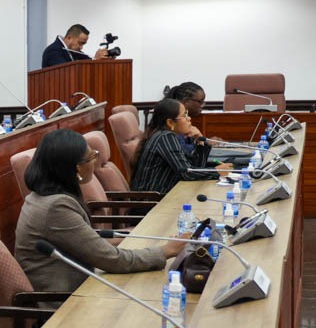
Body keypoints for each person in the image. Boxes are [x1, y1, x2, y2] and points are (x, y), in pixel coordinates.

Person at [14, 129, 180, 291]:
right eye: (92, 157)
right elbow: (112, 260)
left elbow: (89, 244)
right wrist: (167, 251)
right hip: (65, 301)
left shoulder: (40, 197)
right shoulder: (56, 208)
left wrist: (139, 239)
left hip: (82, 285)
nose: (95, 162)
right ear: (77, 168)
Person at [130, 98, 231, 195]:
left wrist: (200, 141)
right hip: (152, 201)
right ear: (170, 123)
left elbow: (195, 167)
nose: (189, 118)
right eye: (184, 116)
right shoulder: (165, 137)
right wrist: (217, 171)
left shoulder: (166, 135)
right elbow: (187, 173)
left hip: (164, 196)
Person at [41, 24, 108, 67]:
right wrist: (94, 60)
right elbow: (65, 70)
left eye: (83, 44)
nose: (81, 47)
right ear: (69, 38)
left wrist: (97, 59)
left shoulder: (74, 50)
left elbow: (88, 61)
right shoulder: (53, 50)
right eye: (80, 43)